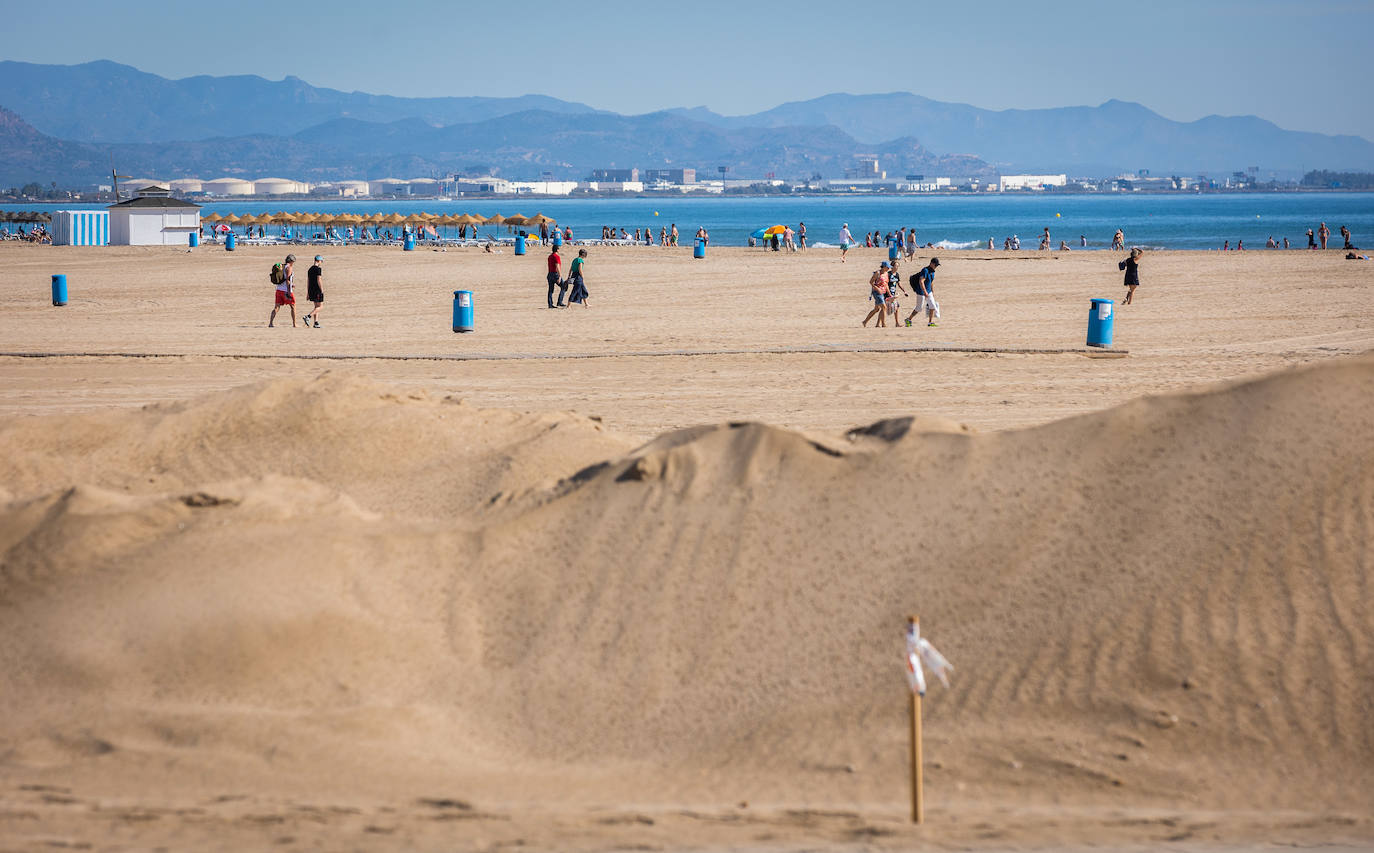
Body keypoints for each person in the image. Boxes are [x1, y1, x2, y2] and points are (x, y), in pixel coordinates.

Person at [905, 258, 941, 327]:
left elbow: (931, 282)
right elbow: (921, 281)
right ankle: (908, 319)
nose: (936, 266)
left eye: (937, 265)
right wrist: (925, 292)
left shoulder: (933, 271)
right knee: (919, 308)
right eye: (935, 265)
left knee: (932, 306)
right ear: (931, 263)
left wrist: (932, 291)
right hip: (921, 291)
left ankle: (930, 322)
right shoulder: (925, 270)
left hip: (928, 291)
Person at [269, 253, 298, 328]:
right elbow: (288, 280)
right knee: (293, 306)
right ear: (291, 261)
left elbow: (284, 279)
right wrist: (289, 291)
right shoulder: (289, 268)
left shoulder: (282, 266)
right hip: (286, 290)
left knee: (277, 307)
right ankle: (294, 324)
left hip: (278, 290)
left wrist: (291, 284)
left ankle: (271, 323)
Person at [863, 261, 892, 327]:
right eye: (887, 267)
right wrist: (877, 289)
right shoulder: (877, 273)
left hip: (883, 292)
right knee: (884, 307)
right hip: (876, 292)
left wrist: (889, 293)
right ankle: (883, 324)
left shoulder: (886, 274)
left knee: (877, 309)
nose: (888, 269)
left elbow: (886, 284)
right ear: (884, 267)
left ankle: (865, 321)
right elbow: (871, 282)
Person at [303, 254, 325, 328]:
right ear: (318, 261)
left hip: (311, 290)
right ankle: (308, 316)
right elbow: (319, 280)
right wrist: (322, 290)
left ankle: (316, 323)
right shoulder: (318, 269)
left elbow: (308, 281)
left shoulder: (310, 269)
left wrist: (308, 293)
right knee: (321, 307)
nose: (321, 262)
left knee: (316, 307)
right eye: (321, 261)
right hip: (317, 290)